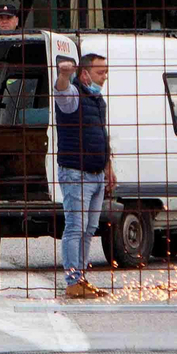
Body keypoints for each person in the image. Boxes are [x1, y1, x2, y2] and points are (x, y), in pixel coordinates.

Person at [53, 52, 116, 299]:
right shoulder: (74, 96)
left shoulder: (98, 101)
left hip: (96, 174)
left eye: (106, 72)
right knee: (75, 228)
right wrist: (63, 75)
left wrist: (108, 166)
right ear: (85, 74)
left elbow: (101, 134)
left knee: (88, 229)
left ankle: (81, 278)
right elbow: (61, 91)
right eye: (100, 72)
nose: (104, 77)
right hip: (76, 174)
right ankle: (73, 281)